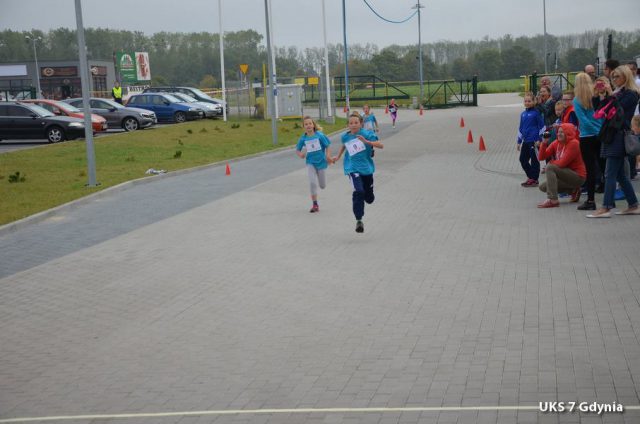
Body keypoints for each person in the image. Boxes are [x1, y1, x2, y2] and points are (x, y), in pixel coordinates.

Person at [587, 66, 640, 218]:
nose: (614, 79)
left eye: (617, 76)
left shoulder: (631, 94)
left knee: (610, 173)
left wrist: (610, 94)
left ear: (626, 77)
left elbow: (618, 110)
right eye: (613, 77)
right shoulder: (616, 93)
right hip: (610, 134)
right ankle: (633, 205)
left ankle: (606, 207)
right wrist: (598, 95)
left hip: (619, 135)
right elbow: (599, 111)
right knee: (619, 175)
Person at [332, 112, 384, 233]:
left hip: (366, 169)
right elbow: (344, 145)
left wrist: (367, 142)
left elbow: (381, 145)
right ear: (348, 125)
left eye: (356, 122)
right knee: (359, 191)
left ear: (361, 124)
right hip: (352, 168)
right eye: (351, 123)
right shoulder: (345, 136)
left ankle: (367, 195)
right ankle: (359, 220)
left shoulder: (367, 134)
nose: (353, 125)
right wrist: (338, 156)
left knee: (369, 199)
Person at [536, 124, 587, 208]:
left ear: (568, 133)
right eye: (558, 132)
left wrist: (551, 163)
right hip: (565, 175)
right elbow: (541, 157)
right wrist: (544, 143)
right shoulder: (556, 143)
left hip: (578, 177)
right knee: (543, 187)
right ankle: (573, 190)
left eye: (562, 132)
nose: (559, 134)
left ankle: (553, 200)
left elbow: (562, 163)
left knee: (550, 167)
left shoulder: (574, 143)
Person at [572, 73, 603, 210]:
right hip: (600, 135)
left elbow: (583, 120)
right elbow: (602, 115)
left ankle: (591, 200)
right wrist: (599, 130)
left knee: (590, 170)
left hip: (586, 137)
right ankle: (609, 198)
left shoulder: (577, 100)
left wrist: (593, 130)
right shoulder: (596, 97)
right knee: (604, 166)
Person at [295, 116, 332, 213]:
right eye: (306, 124)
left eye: (310, 123)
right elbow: (297, 150)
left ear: (313, 125)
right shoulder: (303, 138)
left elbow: (328, 145)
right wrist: (301, 155)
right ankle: (315, 204)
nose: (308, 125)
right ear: (304, 126)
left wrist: (328, 156)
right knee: (312, 183)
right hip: (310, 163)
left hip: (321, 162)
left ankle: (321, 185)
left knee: (322, 185)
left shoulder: (320, 135)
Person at [517, 92, 545, 187]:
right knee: (522, 159)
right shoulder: (523, 114)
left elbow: (542, 127)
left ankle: (534, 179)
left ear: (534, 102)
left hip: (534, 141)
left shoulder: (536, 113)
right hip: (526, 141)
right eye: (525, 101)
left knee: (534, 161)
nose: (527, 103)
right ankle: (531, 177)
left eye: (529, 101)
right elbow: (521, 128)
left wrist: (539, 139)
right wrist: (519, 141)